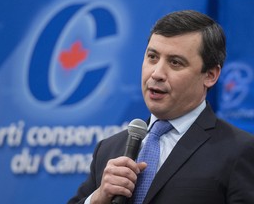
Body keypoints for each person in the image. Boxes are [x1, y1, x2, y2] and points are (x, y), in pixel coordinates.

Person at [67, 10, 254, 204]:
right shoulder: (109, 149)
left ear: (210, 75)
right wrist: (98, 198)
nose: (156, 73)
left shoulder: (239, 151)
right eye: (152, 57)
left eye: (175, 62)